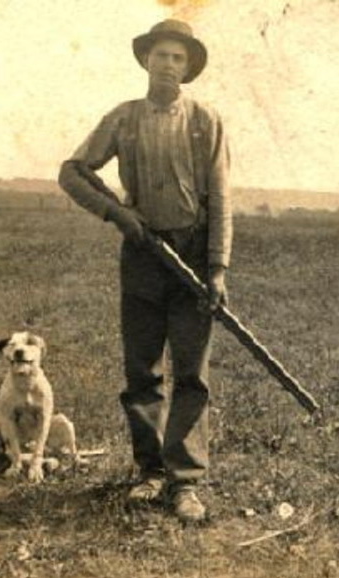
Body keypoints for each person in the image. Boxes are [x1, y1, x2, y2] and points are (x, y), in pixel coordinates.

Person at [58, 19, 232, 522]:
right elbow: (72, 171)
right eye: (161, 55)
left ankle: (184, 483)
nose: (168, 65)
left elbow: (222, 198)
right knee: (142, 370)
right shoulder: (124, 117)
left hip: (192, 257)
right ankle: (150, 473)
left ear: (188, 67)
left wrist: (217, 268)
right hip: (142, 256)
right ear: (145, 60)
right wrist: (118, 214)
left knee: (192, 374)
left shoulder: (205, 120)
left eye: (178, 58)